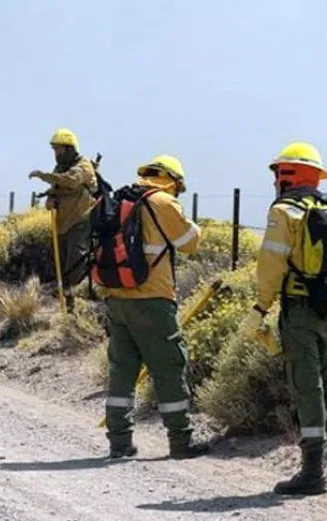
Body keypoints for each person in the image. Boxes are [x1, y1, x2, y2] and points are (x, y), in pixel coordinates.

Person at [242, 142, 327, 495]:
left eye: (278, 173)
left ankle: (312, 472)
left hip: (300, 310)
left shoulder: (285, 212)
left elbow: (271, 265)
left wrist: (260, 308)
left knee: (306, 386)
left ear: (286, 175)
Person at [98, 155, 208, 459]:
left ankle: (119, 443)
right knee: (168, 368)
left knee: (121, 370)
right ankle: (180, 441)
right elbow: (190, 243)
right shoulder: (162, 202)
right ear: (173, 180)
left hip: (116, 297)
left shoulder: (120, 198)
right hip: (152, 300)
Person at [29, 128, 97, 308]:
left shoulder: (83, 165)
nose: (56, 154)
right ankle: (68, 304)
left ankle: (81, 305)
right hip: (62, 225)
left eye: (59, 149)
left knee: (77, 264)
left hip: (80, 221)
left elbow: (71, 180)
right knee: (63, 268)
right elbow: (55, 187)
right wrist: (51, 198)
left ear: (69, 149)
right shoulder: (59, 169)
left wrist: (42, 176)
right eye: (54, 150)